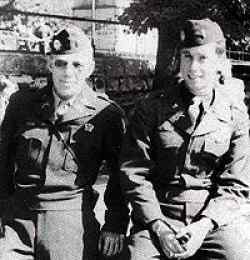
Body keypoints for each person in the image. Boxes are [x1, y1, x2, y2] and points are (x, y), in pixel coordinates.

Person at [119, 18, 250, 260]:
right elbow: (134, 173)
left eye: (203, 58)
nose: (193, 68)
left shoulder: (235, 114)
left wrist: (203, 226)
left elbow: (236, 184)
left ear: (220, 62)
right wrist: (158, 226)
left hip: (212, 221)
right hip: (160, 214)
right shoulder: (151, 108)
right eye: (187, 56)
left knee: (238, 255)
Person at [0, 25, 129, 260]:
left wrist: (115, 224)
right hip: (18, 217)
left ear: (90, 68)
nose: (68, 72)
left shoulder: (106, 114)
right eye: (60, 63)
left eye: (77, 65)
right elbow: (2, 162)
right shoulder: (22, 103)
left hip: (69, 216)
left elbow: (121, 174)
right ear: (50, 65)